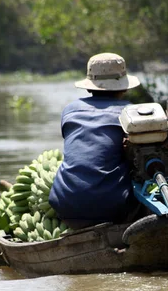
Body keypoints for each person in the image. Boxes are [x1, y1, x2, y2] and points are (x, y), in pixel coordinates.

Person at [49, 53, 142, 230]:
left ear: (89, 86)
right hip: (113, 208)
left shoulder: (70, 110)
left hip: (63, 204)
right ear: (124, 87)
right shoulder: (130, 113)